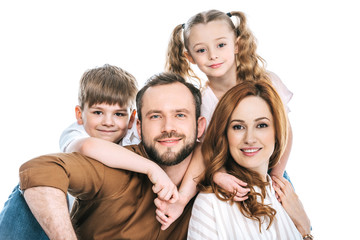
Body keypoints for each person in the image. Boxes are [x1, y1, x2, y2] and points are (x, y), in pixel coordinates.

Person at [15, 72, 206, 239]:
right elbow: (40, 170)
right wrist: (152, 169)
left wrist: (182, 198)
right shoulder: (94, 150)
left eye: (180, 115)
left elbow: (208, 149)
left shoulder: (210, 169)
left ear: (201, 127)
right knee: (21, 198)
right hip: (57, 193)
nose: (168, 127)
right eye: (155, 116)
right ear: (139, 127)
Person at [155, 9, 294, 227]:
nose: (213, 55)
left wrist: (275, 180)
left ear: (237, 44)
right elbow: (202, 152)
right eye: (201, 50)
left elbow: (285, 133)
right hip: (231, 181)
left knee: (289, 226)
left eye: (221, 45)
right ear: (189, 57)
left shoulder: (267, 83)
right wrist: (216, 176)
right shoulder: (201, 103)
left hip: (270, 172)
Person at [187, 80, 312, 240]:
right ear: (224, 135)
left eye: (261, 125)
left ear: (277, 131)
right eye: (238, 127)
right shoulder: (211, 204)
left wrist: (304, 228)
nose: (250, 138)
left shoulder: (286, 200)